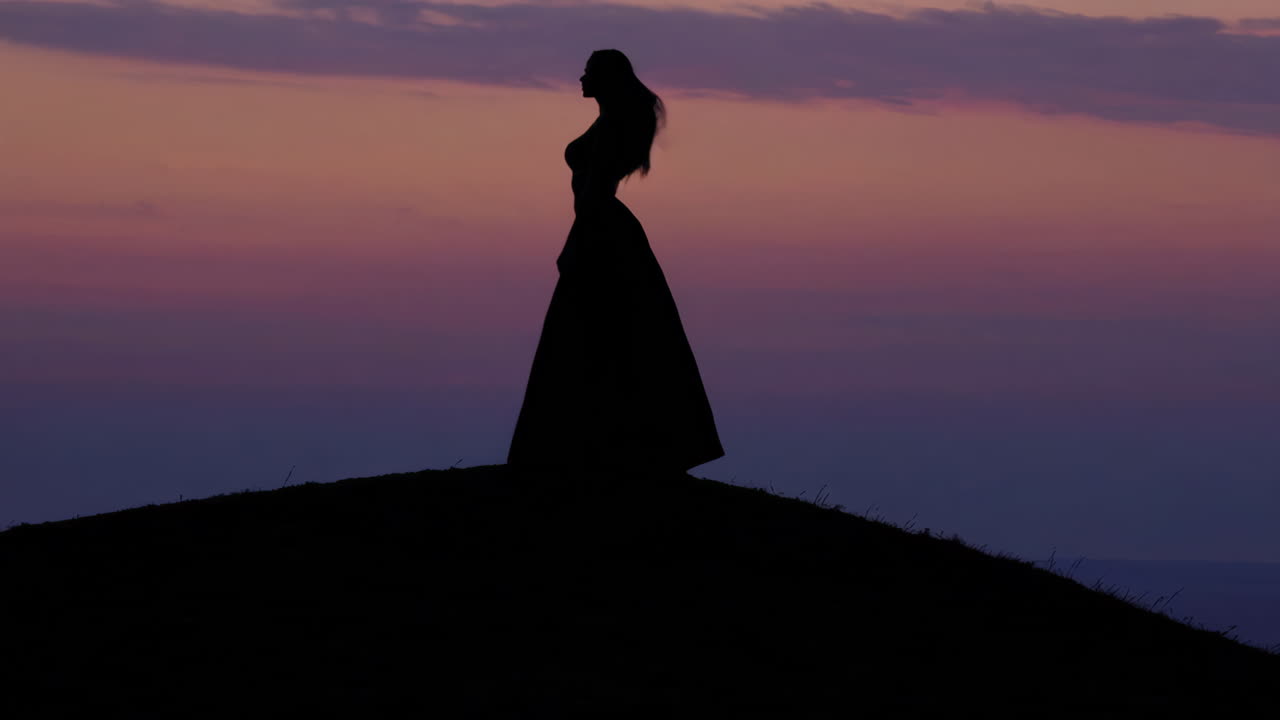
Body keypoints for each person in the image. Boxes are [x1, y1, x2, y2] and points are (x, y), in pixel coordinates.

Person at [507, 49, 724, 474]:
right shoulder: (610, 122)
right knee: (612, 333)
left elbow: (593, 194)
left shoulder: (611, 128)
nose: (581, 76)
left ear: (604, 77)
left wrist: (574, 244)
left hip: (602, 232)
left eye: (588, 70)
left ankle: (595, 446)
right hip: (609, 231)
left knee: (597, 332)